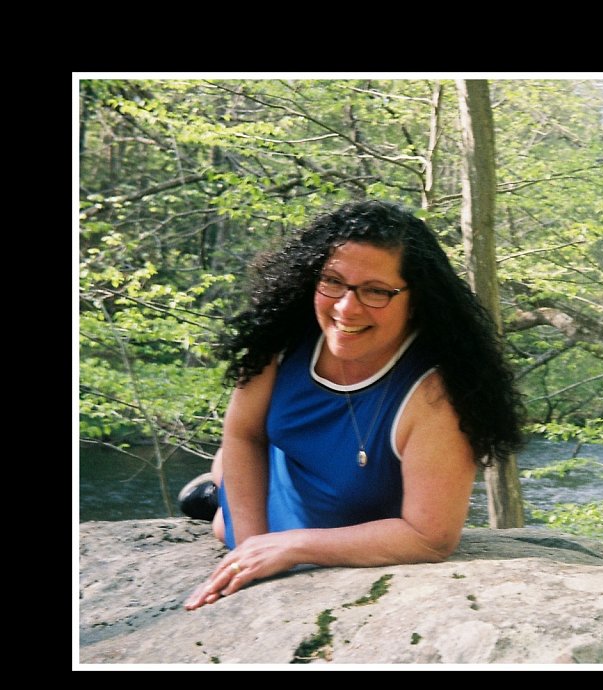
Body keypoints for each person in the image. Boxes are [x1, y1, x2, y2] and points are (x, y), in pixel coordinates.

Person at [182, 200, 522, 610]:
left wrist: (294, 545)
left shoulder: (437, 395)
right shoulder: (279, 341)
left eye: (376, 291)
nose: (346, 307)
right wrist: (252, 548)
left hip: (360, 529)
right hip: (278, 487)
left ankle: (217, 490)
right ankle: (219, 486)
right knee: (228, 525)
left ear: (416, 300)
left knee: (224, 520)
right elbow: (243, 432)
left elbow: (430, 539)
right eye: (333, 282)